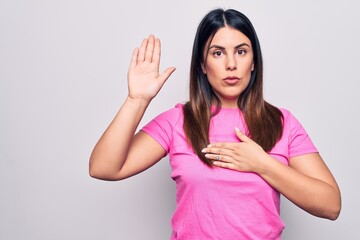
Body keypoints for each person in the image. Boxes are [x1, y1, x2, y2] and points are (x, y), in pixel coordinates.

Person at [89, 8, 341, 239]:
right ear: (202, 64)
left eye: (241, 52)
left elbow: (331, 205)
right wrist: (137, 99)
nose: (231, 64)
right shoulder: (179, 120)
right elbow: (103, 168)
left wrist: (262, 164)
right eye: (217, 53)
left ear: (253, 62)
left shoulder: (282, 123)